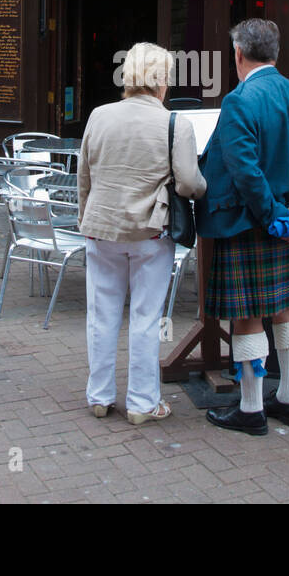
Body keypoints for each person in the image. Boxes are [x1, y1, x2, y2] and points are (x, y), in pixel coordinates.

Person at [196, 19, 289, 435]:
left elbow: (245, 171)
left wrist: (273, 213)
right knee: (287, 309)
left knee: (247, 316)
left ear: (238, 54)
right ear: (275, 52)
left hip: (248, 223)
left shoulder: (239, 101)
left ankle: (252, 410)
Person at [78, 42, 207, 424]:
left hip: (102, 229)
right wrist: (203, 186)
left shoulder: (99, 115)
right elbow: (187, 183)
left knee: (101, 316)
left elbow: (84, 176)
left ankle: (99, 397)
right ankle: (142, 403)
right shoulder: (174, 123)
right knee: (146, 318)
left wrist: (87, 220)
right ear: (162, 80)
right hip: (151, 231)